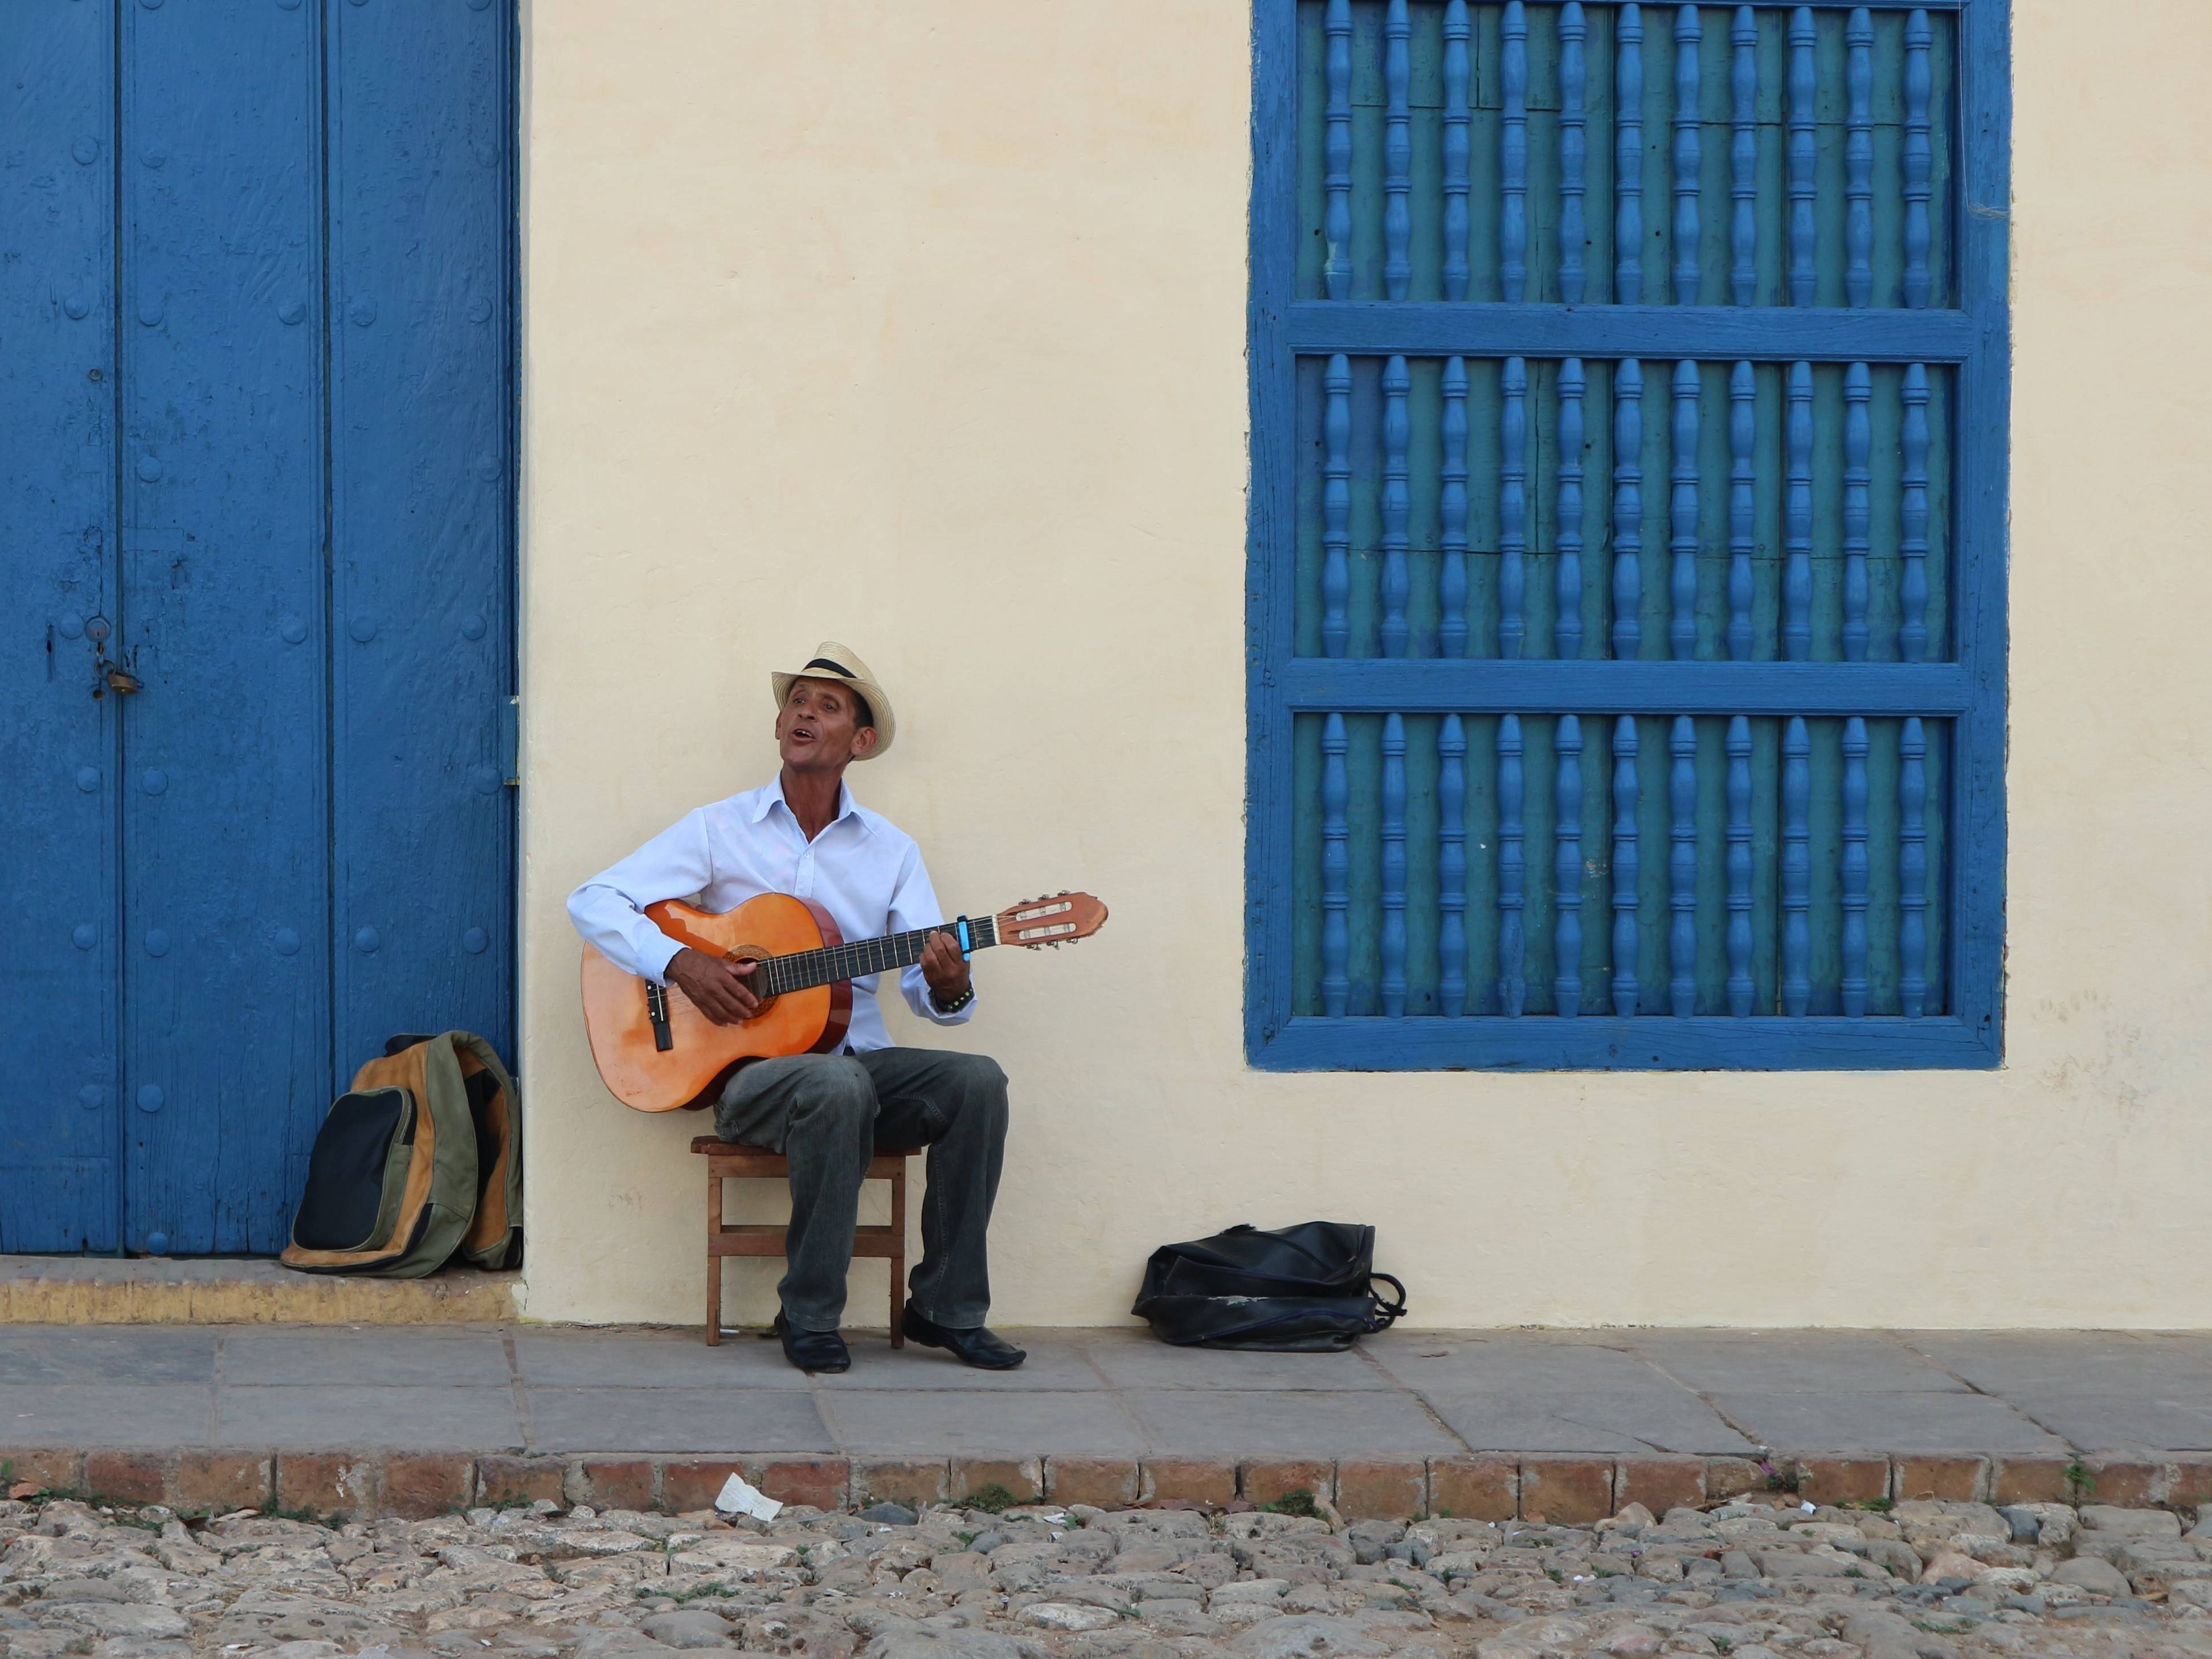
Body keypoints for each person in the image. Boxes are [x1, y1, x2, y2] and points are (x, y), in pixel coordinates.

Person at [566, 644, 1024, 1374]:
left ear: (860, 742)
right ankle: (809, 1312)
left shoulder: (892, 852)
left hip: (860, 1067)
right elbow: (593, 900)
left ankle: (945, 1307)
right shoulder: (720, 828)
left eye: (829, 704)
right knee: (832, 1082)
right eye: (797, 700)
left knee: (978, 1081)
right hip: (751, 1082)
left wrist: (947, 985)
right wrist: (683, 961)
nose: (805, 711)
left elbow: (922, 986)